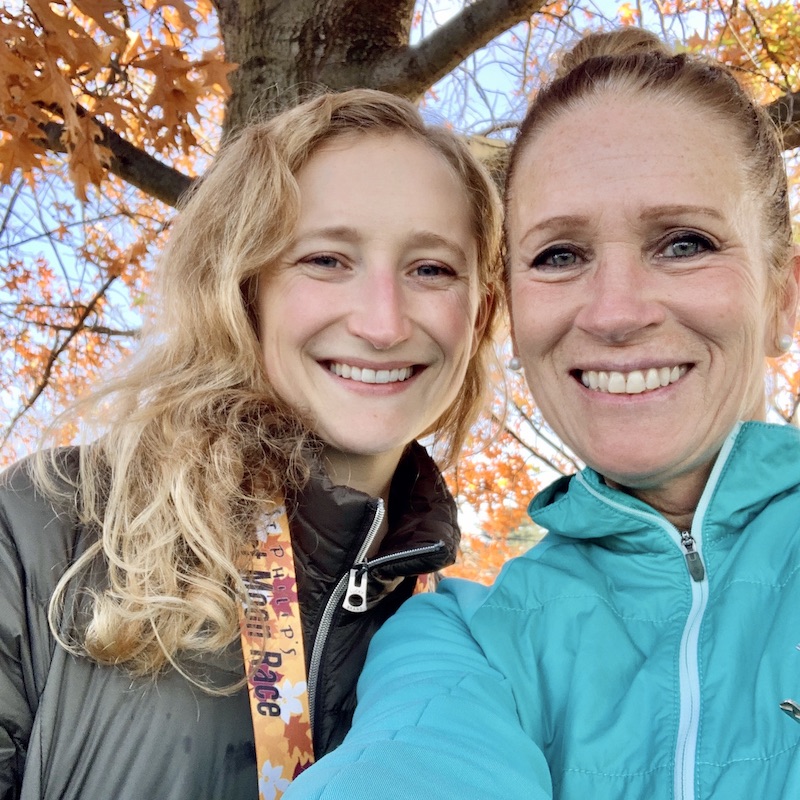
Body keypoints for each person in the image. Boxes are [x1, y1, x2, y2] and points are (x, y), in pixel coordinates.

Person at [283, 28, 800, 800]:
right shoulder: (462, 639)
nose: (616, 311)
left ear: (782, 297)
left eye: (685, 243)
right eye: (559, 255)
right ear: (513, 315)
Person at [0, 88, 503, 800]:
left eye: (432, 269)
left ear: (478, 315)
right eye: (327, 259)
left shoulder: (460, 642)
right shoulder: (47, 530)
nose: (384, 323)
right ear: (244, 289)